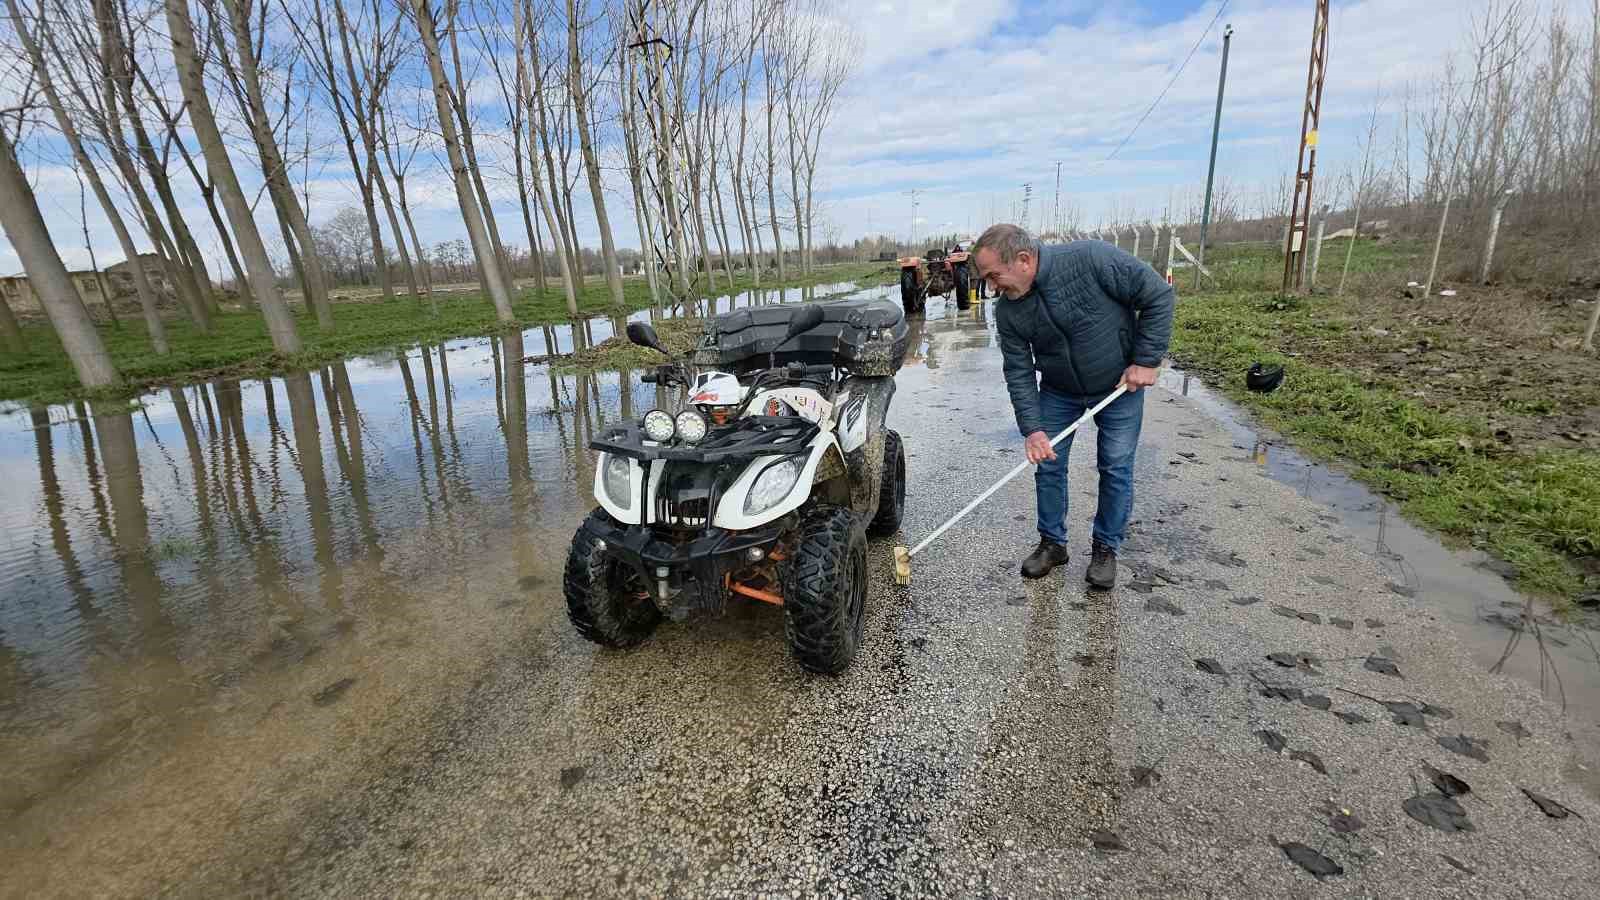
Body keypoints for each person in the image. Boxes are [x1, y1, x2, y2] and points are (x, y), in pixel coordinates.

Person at [971, 223, 1174, 589]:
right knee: (1047, 465)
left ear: (1023, 260)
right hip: (1059, 391)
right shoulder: (1008, 312)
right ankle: (1053, 544)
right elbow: (1018, 371)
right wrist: (1032, 429)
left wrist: (1146, 359)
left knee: (1114, 466)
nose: (992, 286)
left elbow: (1158, 295)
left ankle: (1105, 549)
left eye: (993, 276)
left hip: (1117, 387)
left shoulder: (1090, 259)